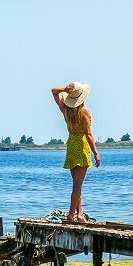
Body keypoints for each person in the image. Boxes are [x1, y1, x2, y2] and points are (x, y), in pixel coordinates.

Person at [51, 81, 101, 223]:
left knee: (77, 184)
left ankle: (80, 215)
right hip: (81, 146)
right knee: (77, 185)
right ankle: (71, 215)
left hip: (71, 145)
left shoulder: (65, 110)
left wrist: (65, 89)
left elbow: (54, 91)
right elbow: (88, 134)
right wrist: (96, 152)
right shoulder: (84, 111)